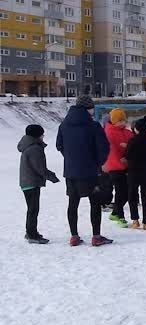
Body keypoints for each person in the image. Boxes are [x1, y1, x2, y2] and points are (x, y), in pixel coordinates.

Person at [56, 95, 112, 246]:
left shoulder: (64, 125)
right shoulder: (93, 126)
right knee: (95, 203)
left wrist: (71, 158)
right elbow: (103, 147)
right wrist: (98, 163)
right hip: (90, 172)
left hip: (71, 171)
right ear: (89, 108)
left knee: (73, 203)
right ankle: (96, 236)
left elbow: (59, 145)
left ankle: (74, 236)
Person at [18, 124, 60, 243]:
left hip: (26, 181)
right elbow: (39, 168)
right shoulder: (35, 148)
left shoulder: (28, 146)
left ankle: (31, 232)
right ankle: (32, 234)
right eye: (42, 134)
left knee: (32, 208)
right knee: (33, 209)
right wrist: (52, 177)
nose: (43, 136)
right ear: (37, 135)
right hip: (32, 182)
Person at [125, 117, 146, 230]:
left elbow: (128, 155)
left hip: (133, 171)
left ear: (136, 129)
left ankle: (135, 220)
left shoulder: (132, 140)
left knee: (133, 196)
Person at [103, 108, 134, 228]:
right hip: (114, 165)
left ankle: (115, 212)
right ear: (113, 121)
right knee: (121, 191)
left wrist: (128, 154)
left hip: (126, 165)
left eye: (124, 120)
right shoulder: (109, 132)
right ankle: (120, 216)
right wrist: (122, 158)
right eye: (119, 121)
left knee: (127, 191)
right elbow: (112, 150)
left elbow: (133, 144)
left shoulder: (127, 132)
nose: (122, 123)